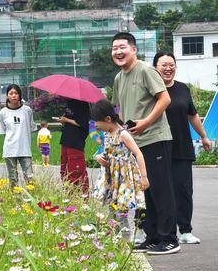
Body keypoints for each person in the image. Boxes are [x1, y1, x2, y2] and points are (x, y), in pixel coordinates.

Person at [111, 32, 179, 255]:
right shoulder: (119, 78)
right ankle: (152, 237)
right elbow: (119, 111)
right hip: (135, 143)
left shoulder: (146, 70)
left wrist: (146, 122)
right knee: (145, 191)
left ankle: (169, 238)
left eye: (122, 47)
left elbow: (165, 98)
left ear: (133, 50)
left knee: (161, 190)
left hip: (155, 138)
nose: (118, 52)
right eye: (114, 49)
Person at [154, 52, 213, 244]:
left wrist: (204, 136)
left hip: (182, 148)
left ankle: (185, 230)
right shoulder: (152, 90)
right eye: (164, 65)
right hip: (159, 148)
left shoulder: (182, 89)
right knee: (163, 191)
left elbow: (192, 115)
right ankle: (164, 231)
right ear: (155, 67)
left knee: (184, 190)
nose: (168, 68)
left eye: (171, 64)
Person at [91, 100, 149, 238]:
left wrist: (144, 177)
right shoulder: (107, 134)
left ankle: (125, 241)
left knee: (121, 210)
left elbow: (138, 153)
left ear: (108, 119)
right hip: (111, 178)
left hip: (124, 178)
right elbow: (107, 153)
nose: (96, 126)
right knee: (112, 208)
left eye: (98, 123)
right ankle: (114, 238)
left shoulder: (123, 134)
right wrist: (99, 157)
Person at [0, 84, 35, 186]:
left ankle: (31, 199)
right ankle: (15, 199)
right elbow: (3, 131)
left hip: (25, 149)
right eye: (11, 93)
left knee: (29, 177)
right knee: (13, 178)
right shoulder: (3, 112)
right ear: (7, 96)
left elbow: (31, 127)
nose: (13, 95)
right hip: (10, 149)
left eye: (16, 93)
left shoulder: (27, 110)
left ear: (20, 95)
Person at [56, 98, 90, 193]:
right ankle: (69, 197)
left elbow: (82, 123)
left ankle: (83, 198)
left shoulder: (82, 104)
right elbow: (70, 119)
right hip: (65, 140)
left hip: (75, 142)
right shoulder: (69, 102)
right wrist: (63, 120)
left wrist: (66, 120)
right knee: (65, 170)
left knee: (76, 171)